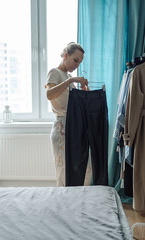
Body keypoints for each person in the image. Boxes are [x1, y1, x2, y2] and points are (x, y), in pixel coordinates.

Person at [45, 42, 92, 187]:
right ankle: (63, 205)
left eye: (80, 62)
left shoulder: (67, 77)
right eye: (75, 60)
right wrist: (71, 80)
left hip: (74, 126)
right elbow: (49, 94)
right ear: (66, 55)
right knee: (63, 171)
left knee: (86, 166)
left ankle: (80, 202)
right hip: (62, 126)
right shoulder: (55, 72)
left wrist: (84, 94)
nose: (77, 65)